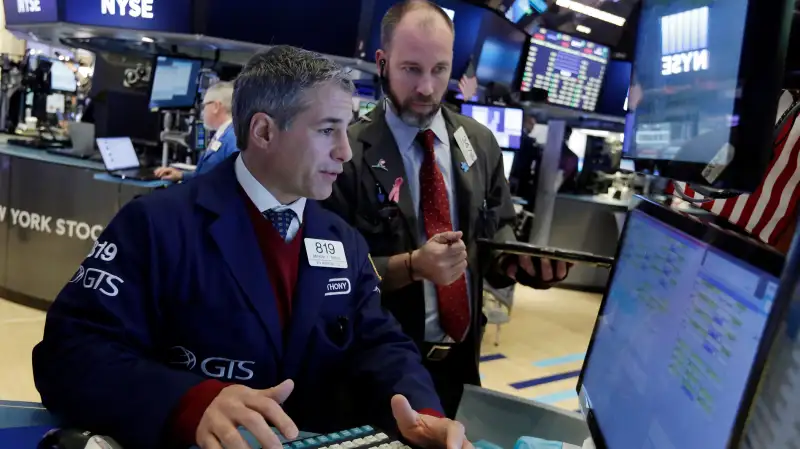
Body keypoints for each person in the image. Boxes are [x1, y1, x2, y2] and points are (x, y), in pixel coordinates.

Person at [33, 46, 473, 449]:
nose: (345, 152)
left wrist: (421, 411)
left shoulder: (341, 240)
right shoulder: (157, 226)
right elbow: (68, 354)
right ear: (263, 131)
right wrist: (189, 401)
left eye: (347, 130)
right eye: (327, 130)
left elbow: (381, 344)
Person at [323, 0, 569, 418]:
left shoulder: (480, 143)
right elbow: (333, 280)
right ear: (382, 62)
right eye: (411, 69)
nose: (427, 88)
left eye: (439, 69)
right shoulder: (346, 154)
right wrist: (414, 265)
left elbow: (497, 230)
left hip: (462, 366)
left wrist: (515, 261)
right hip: (378, 372)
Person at [155, 81, 239, 182]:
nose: (203, 111)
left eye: (204, 106)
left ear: (216, 107)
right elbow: (210, 174)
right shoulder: (224, 134)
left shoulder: (234, 138)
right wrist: (182, 175)